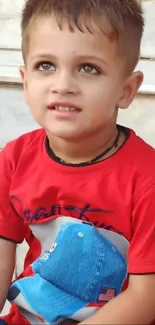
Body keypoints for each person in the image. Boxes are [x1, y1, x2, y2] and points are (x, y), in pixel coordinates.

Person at [0, 0, 155, 324]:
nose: (63, 85)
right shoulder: (14, 160)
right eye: (46, 65)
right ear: (25, 82)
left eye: (88, 68)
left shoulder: (147, 179)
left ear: (126, 90)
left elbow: (146, 298)